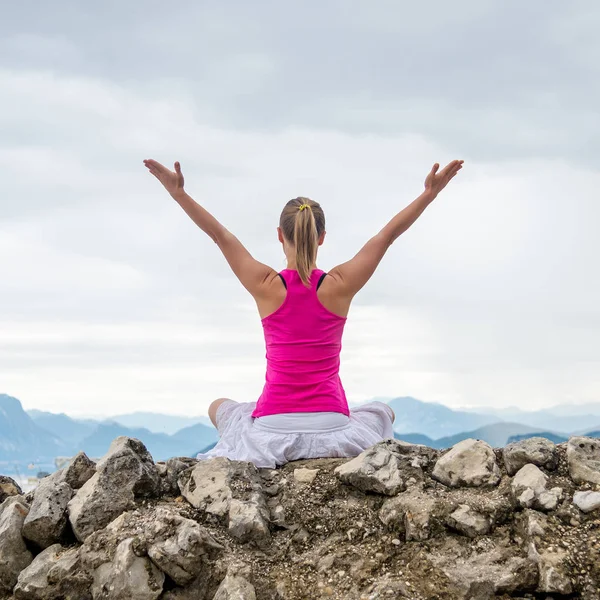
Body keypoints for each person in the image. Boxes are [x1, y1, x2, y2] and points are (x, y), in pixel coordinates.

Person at [143, 157, 464, 468]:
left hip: (272, 427)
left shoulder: (266, 284)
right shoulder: (339, 284)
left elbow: (220, 236)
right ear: (322, 237)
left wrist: (179, 194)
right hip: (333, 425)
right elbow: (387, 236)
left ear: (280, 235)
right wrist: (428, 195)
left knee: (218, 407)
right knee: (384, 412)